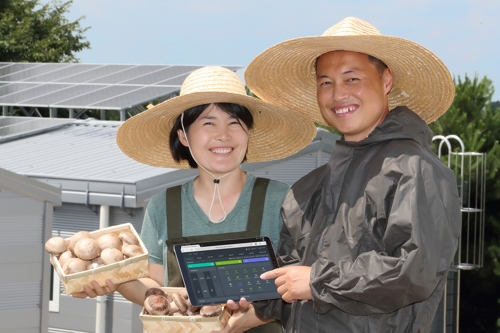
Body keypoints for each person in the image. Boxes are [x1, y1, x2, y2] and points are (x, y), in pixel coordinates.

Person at [220, 17, 461, 333]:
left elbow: (414, 272)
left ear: (386, 80)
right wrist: (257, 300)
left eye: (352, 79)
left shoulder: (416, 171)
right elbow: (293, 277)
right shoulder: (309, 187)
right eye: (325, 82)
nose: (338, 95)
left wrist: (316, 281)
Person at [72, 66, 316, 332]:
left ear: (248, 134)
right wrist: (114, 279)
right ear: (183, 136)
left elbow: (306, 282)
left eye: (235, 123)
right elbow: (155, 288)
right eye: (208, 123)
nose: (223, 134)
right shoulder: (162, 206)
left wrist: (258, 315)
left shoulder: (282, 200)